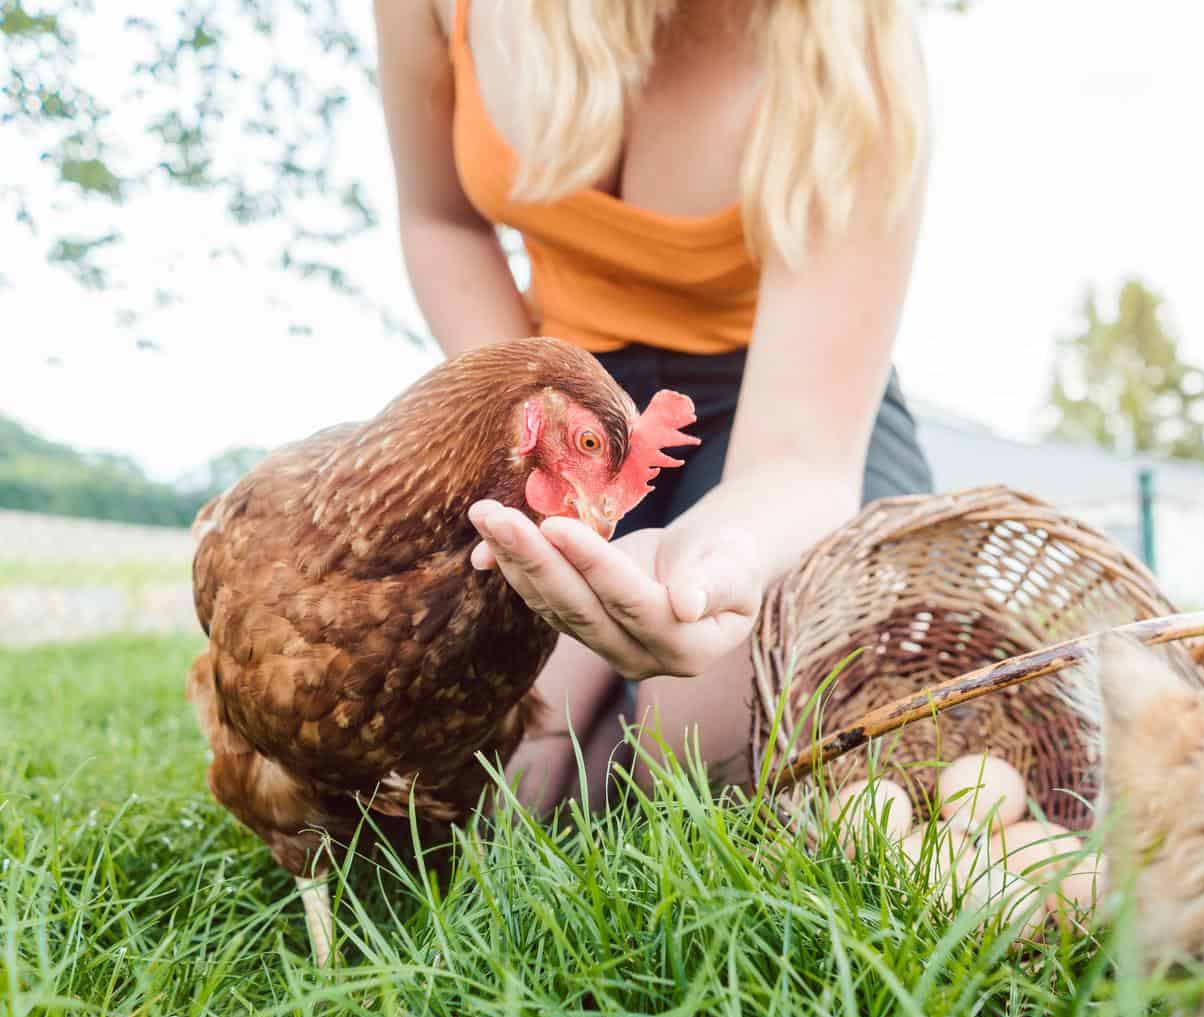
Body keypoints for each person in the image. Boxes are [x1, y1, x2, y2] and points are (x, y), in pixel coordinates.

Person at [375, 0, 934, 811]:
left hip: (785, 401)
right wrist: (523, 447)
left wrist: (701, 569)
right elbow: (440, 218)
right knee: (492, 772)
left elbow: (801, 455)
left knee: (690, 741)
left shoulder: (856, 42)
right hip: (557, 392)